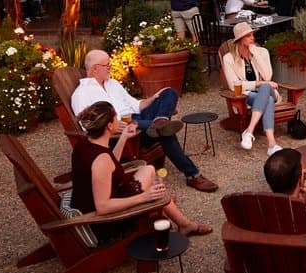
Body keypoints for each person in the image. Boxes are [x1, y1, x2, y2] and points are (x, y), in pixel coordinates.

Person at [71, 50, 217, 192]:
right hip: (122, 130)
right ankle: (192, 174)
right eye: (107, 64)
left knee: (169, 93)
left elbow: (136, 105)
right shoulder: (82, 94)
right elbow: (88, 127)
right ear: (95, 69)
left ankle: (161, 120)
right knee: (165, 132)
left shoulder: (112, 83)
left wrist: (153, 99)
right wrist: (113, 127)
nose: (111, 67)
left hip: (136, 119)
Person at [72, 102, 211, 241]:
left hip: (100, 197)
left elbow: (110, 163)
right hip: (104, 222)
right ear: (109, 126)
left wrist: (124, 137)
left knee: (148, 169)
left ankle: (180, 220)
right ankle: (182, 222)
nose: (119, 120)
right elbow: (102, 207)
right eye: (116, 117)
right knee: (152, 187)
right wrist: (144, 197)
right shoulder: (101, 160)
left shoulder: (85, 144)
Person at [221, 21, 283, 155]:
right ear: (240, 39)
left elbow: (267, 75)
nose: (252, 38)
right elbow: (233, 85)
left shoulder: (262, 52)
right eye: (248, 36)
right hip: (247, 95)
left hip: (268, 91)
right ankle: (272, 144)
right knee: (268, 98)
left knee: (266, 88)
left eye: (252, 35)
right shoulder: (228, 58)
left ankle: (249, 131)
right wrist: (258, 83)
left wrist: (255, 53)